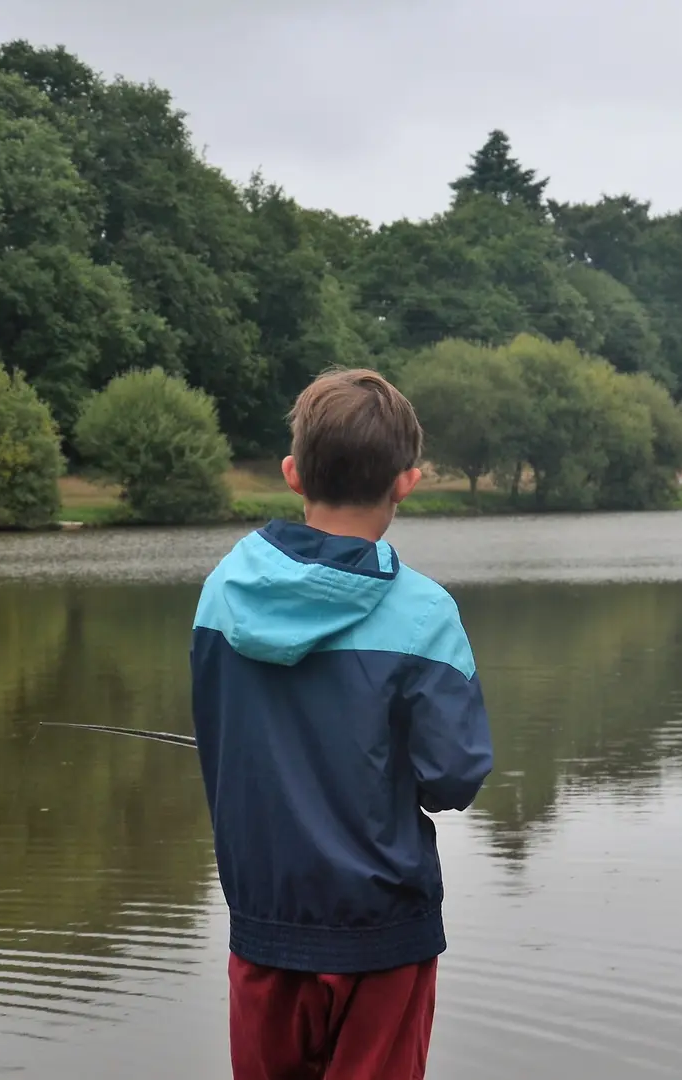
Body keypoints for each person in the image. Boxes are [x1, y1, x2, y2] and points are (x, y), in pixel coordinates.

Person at [190, 368, 494, 1080]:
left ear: (294, 474)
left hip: (265, 926)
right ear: (406, 481)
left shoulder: (220, 595)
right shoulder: (425, 613)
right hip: (383, 936)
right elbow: (451, 777)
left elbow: (219, 732)